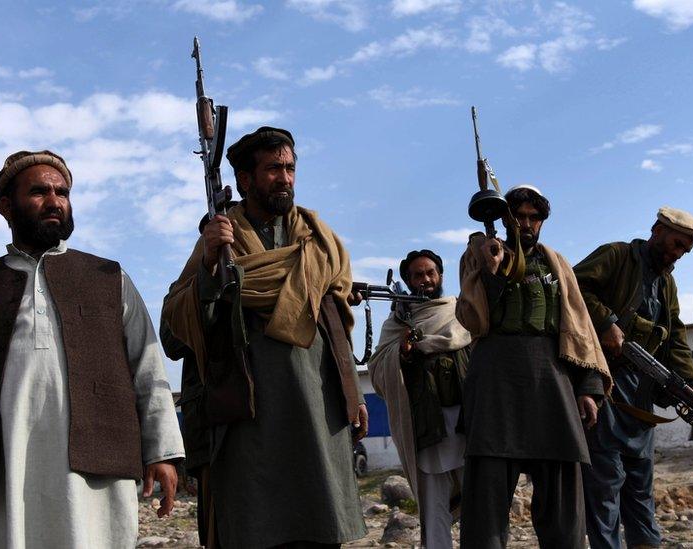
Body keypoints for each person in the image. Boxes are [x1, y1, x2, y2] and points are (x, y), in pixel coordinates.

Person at [0, 150, 184, 548]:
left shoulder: (109, 277)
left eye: (62, 192)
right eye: (39, 191)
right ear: (4, 205)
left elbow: (148, 369)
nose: (55, 201)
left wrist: (164, 451)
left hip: (91, 476)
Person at [162, 127, 367, 548]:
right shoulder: (222, 240)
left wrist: (354, 394)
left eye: (290, 168)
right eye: (274, 169)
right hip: (249, 422)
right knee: (252, 530)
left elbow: (334, 320)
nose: (286, 178)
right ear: (244, 179)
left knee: (319, 526)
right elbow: (173, 330)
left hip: (318, 411)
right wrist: (208, 268)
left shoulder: (319, 240)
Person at [456, 185, 612, 548]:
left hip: (551, 385)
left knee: (564, 517)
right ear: (505, 217)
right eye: (519, 216)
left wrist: (588, 388)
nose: (526, 224)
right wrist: (493, 272)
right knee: (485, 515)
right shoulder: (479, 256)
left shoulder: (556, 264)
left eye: (533, 217)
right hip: (496, 385)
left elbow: (580, 330)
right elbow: (472, 320)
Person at [573, 206, 693, 549]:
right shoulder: (617, 255)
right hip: (603, 387)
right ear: (656, 230)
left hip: (640, 397)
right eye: (675, 244)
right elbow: (572, 287)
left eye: (685, 250)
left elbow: (676, 337)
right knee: (605, 488)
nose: (677, 254)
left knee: (640, 488)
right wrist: (606, 322)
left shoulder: (666, 282)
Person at [368, 249, 472, 548]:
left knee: (477, 504)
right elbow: (376, 371)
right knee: (433, 506)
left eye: (430, 273)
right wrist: (400, 353)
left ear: (440, 276)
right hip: (427, 427)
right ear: (408, 281)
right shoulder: (397, 323)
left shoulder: (460, 310)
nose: (425, 280)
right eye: (417, 275)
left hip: (467, 422)